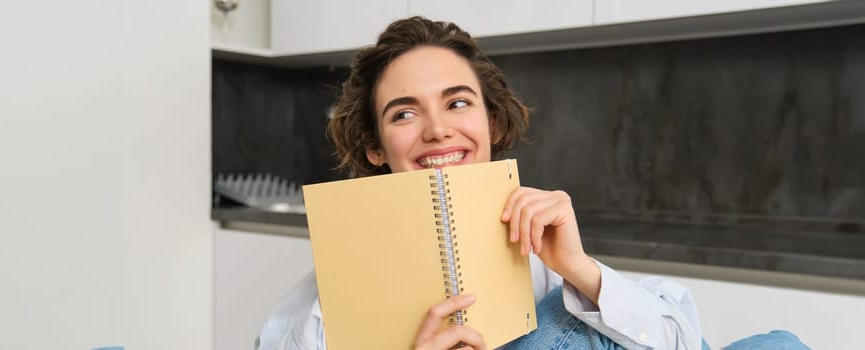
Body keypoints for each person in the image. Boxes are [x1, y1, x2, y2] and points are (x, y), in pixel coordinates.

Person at [257, 16, 809, 350]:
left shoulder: (537, 237)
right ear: (375, 146)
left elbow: (684, 341)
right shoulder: (327, 305)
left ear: (491, 123)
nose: (438, 130)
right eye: (404, 114)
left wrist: (580, 271)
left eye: (457, 103)